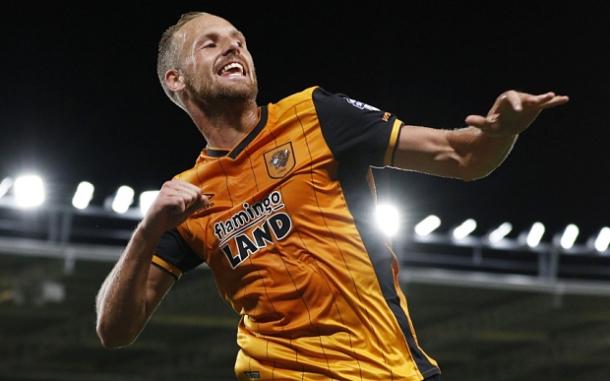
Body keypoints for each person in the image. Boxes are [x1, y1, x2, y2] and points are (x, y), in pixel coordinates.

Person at [95, 11, 569, 381]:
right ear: (175, 80)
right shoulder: (188, 197)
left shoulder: (315, 115)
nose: (233, 47)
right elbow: (114, 331)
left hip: (385, 369)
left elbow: (461, 157)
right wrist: (147, 231)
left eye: (239, 40)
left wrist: (505, 130)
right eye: (211, 43)